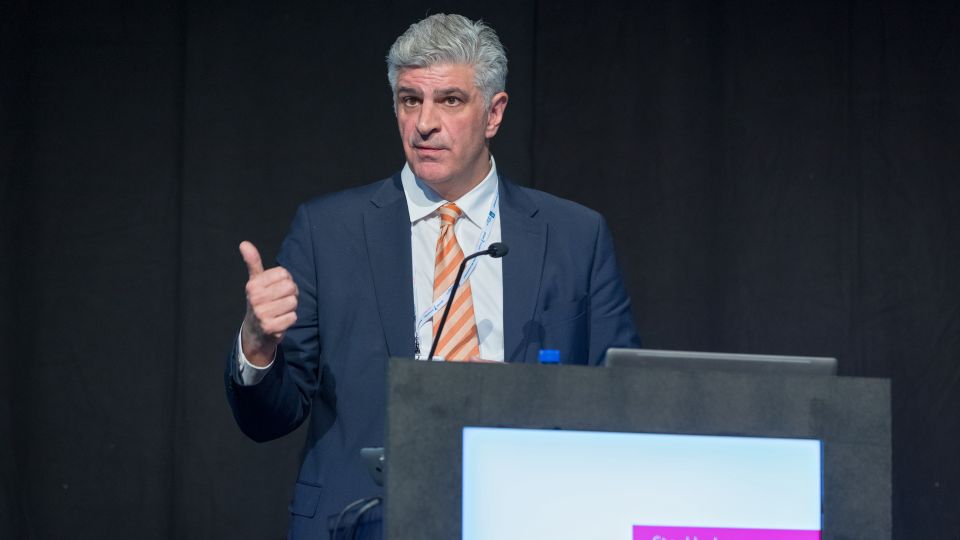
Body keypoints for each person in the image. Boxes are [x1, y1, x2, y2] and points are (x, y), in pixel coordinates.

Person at [225, 13, 641, 539]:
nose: (424, 123)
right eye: (409, 100)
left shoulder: (576, 236)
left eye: (449, 100)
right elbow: (269, 419)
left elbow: (622, 405)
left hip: (523, 519)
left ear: (494, 113)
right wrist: (258, 346)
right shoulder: (327, 231)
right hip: (360, 523)